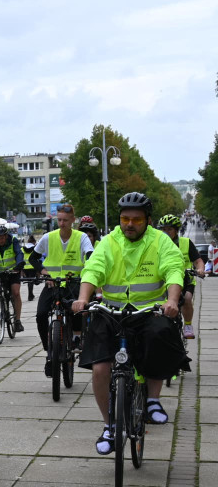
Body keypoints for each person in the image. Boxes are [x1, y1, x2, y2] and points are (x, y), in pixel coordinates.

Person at [71, 192, 188, 454]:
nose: (130, 224)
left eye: (136, 219)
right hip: (111, 312)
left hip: (148, 311)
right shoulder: (109, 241)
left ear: (148, 220)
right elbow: (94, 268)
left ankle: (153, 400)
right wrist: (82, 298)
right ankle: (109, 427)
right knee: (100, 368)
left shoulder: (160, 241)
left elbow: (173, 269)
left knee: (160, 337)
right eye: (125, 219)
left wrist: (171, 301)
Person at [30, 204, 94, 375]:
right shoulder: (48, 237)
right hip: (53, 283)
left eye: (65, 220)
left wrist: (87, 271)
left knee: (78, 310)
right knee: (41, 314)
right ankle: (49, 350)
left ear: (73, 220)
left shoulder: (81, 238)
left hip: (73, 283)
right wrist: (44, 272)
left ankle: (75, 338)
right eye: (59, 220)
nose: (62, 223)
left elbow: (90, 256)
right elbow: (33, 258)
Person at [157, 214, 205, 339]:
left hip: (186, 279)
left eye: (169, 229)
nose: (165, 232)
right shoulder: (156, 244)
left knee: (187, 299)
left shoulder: (186, 243)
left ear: (176, 230)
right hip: (166, 280)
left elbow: (198, 261)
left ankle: (188, 325)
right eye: (163, 229)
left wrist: (200, 269)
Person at [22, 236, 37, 301]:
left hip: (25, 267)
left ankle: (31, 294)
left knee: (29, 282)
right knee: (31, 282)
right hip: (32, 267)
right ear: (33, 242)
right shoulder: (35, 248)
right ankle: (30, 295)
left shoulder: (22, 249)